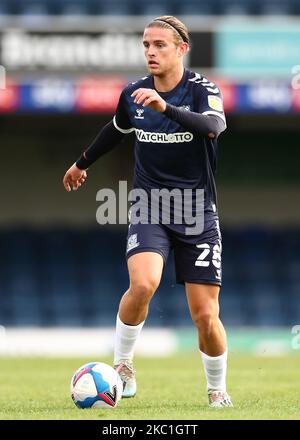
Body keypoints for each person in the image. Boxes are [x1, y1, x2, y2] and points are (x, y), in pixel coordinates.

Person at [63, 15, 232, 408]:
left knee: (206, 316)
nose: (151, 52)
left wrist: (166, 107)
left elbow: (213, 127)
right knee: (143, 284)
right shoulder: (134, 92)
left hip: (197, 213)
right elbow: (115, 129)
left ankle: (217, 390)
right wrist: (81, 163)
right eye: (146, 45)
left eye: (159, 45)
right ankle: (123, 365)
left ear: (181, 49)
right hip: (149, 205)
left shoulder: (203, 90)